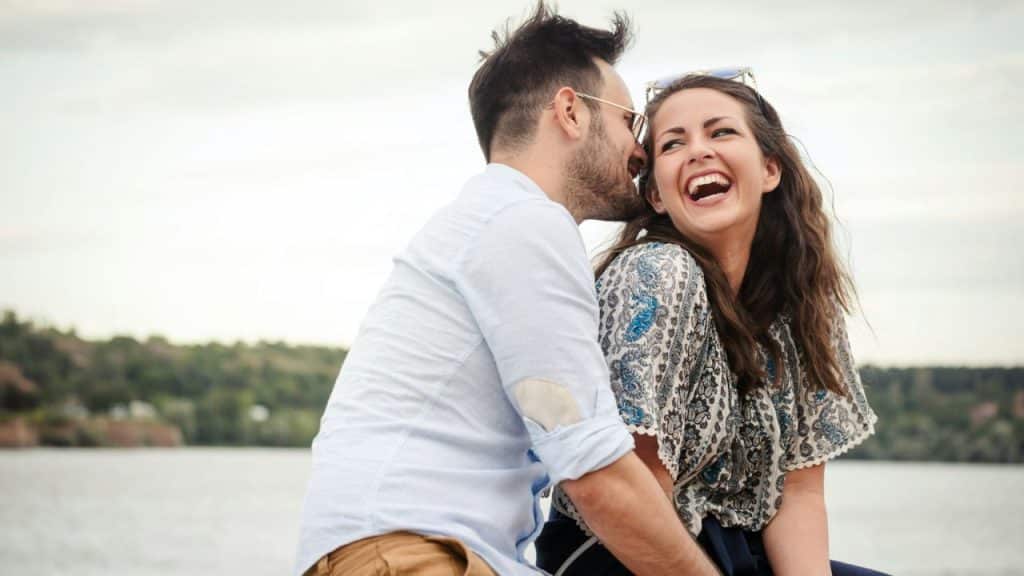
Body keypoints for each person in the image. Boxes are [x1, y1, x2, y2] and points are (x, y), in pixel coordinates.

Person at [294, 5, 721, 576]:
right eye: (629, 123)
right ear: (570, 111)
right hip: (408, 559)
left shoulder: (490, 222)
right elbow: (592, 468)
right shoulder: (523, 222)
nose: (640, 150)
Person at [535, 71, 886, 576]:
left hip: (731, 548)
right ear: (656, 195)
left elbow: (799, 496)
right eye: (674, 144)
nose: (699, 151)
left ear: (769, 169)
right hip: (620, 550)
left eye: (721, 132)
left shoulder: (799, 302)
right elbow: (632, 488)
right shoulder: (657, 273)